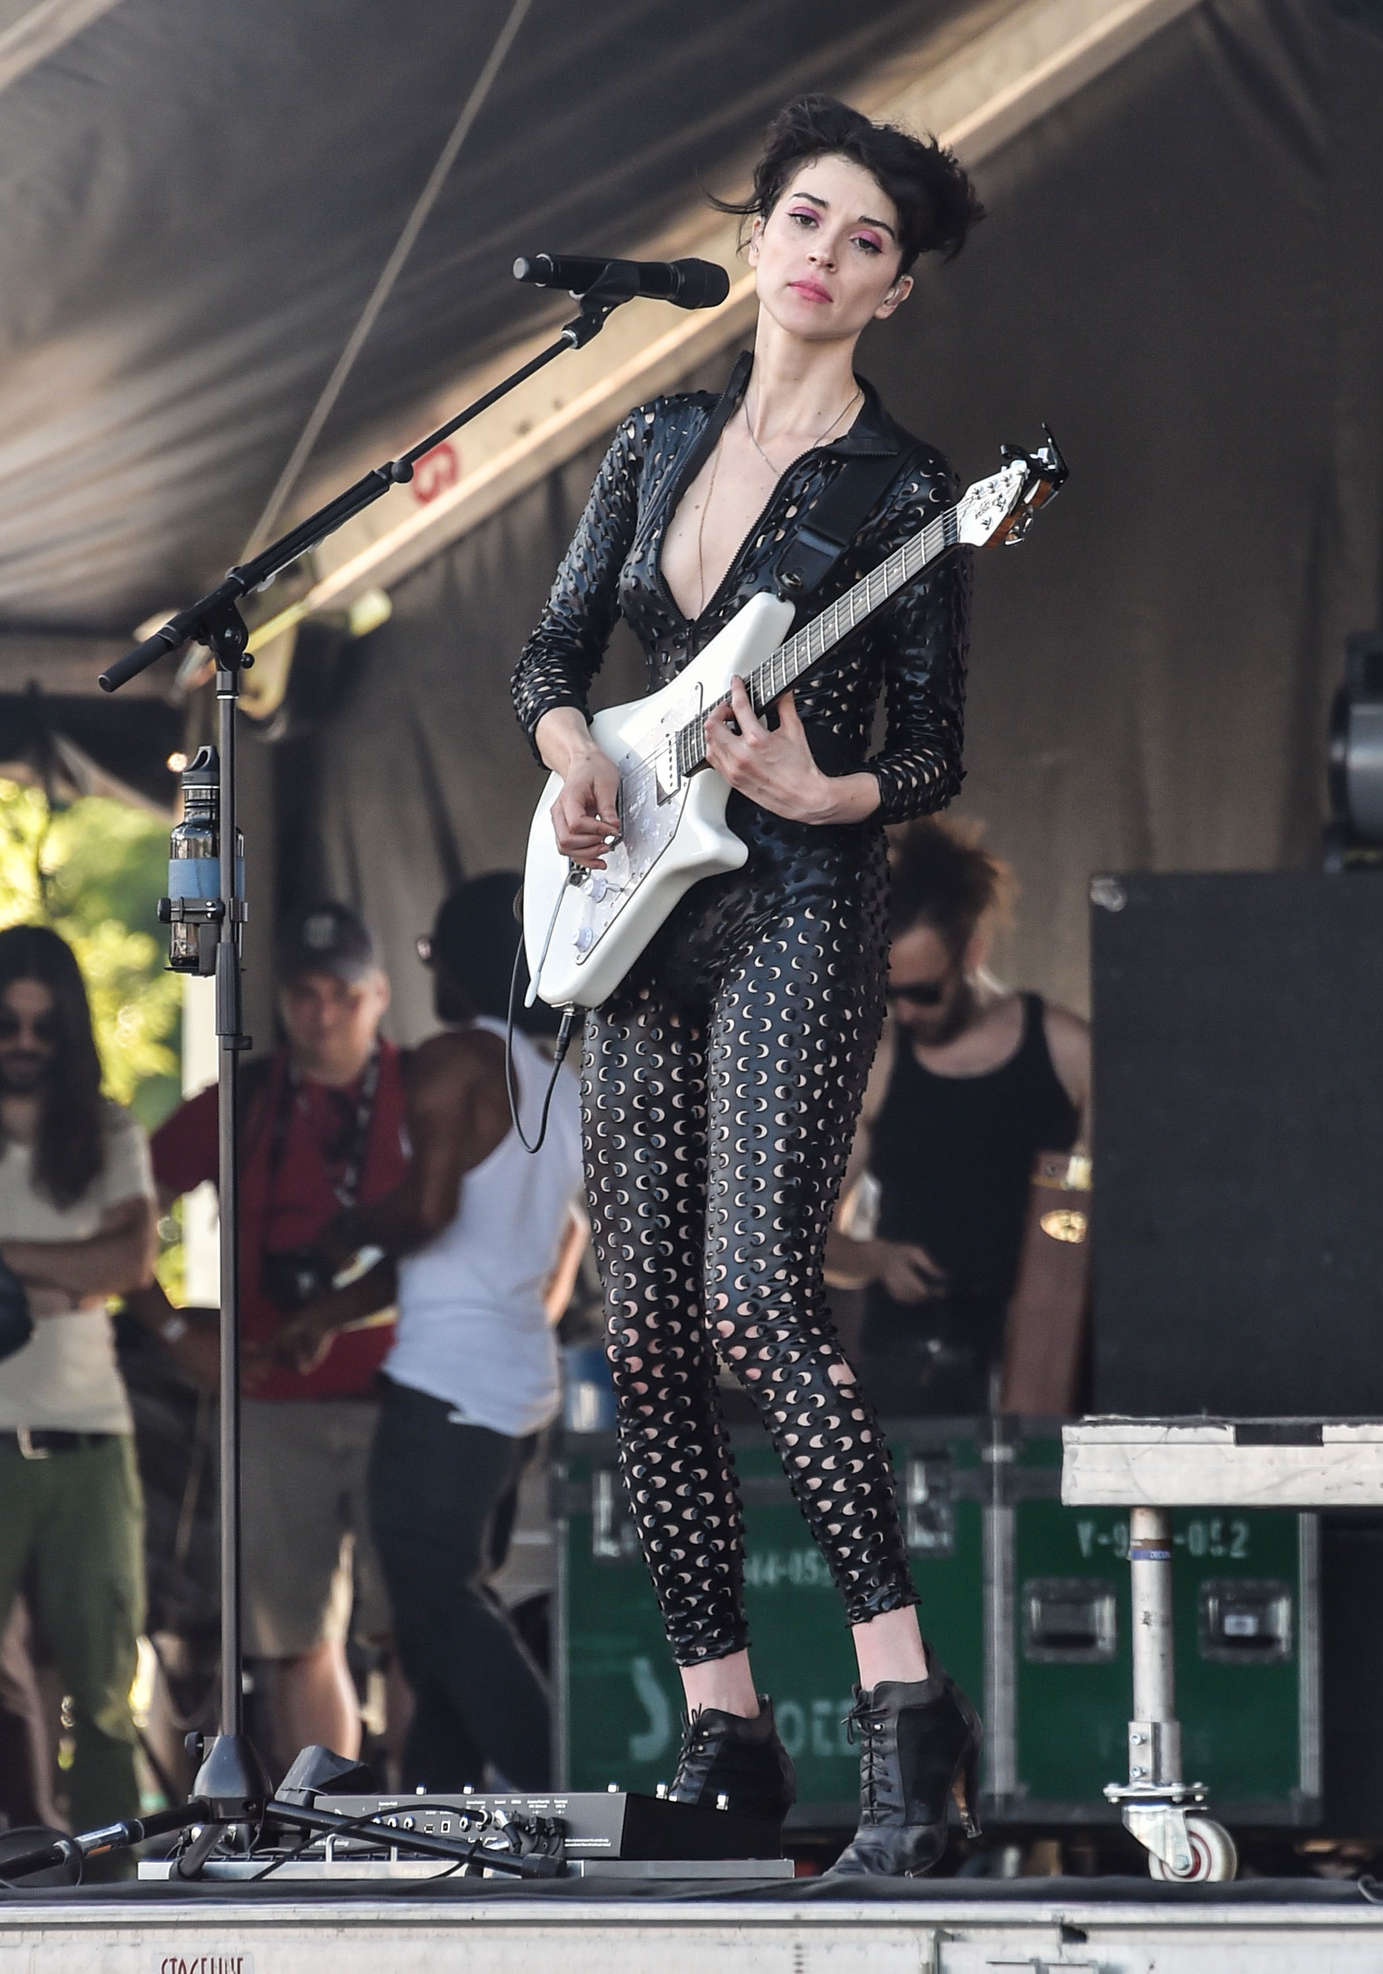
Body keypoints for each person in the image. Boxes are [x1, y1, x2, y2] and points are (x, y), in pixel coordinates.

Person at [512, 95, 986, 1875]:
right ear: (760, 235)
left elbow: (934, 747)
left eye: (866, 240)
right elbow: (553, 655)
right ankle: (728, 1731)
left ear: (893, 290)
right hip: (642, 898)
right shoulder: (655, 437)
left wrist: (825, 788)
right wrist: (574, 754)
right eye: (805, 218)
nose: (823, 253)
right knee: (634, 1326)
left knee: (752, 1298)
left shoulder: (911, 489)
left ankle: (907, 1727)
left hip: (796, 892)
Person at [274, 872, 586, 1791]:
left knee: (438, 1603)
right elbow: (480, 1249)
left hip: (446, 1388)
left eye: (425, 955)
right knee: (434, 1613)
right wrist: (328, 1315)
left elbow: (429, 1211)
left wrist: (346, 1227)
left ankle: (552, 1780)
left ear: (450, 964)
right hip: (518, 1381)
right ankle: (435, 1805)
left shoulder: (452, 1059)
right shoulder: (558, 1084)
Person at [147, 901, 406, 1774]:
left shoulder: (425, 1093)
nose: (323, 1011)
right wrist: (171, 1327)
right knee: (294, 1634)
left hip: (402, 1396)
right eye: (304, 992)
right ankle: (325, 1826)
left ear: (379, 997)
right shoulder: (244, 1100)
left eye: (342, 992)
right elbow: (112, 1200)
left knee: (412, 1629)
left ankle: (427, 1810)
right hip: (268, 1405)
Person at [826, 819, 1092, 1417]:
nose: (906, 1013)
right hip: (913, 1366)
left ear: (972, 951)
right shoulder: (880, 1071)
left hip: (1047, 1361)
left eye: (924, 992)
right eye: (888, 995)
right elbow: (801, 1239)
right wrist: (877, 1258)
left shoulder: (1068, 1051)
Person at [0, 924, 156, 1833]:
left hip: (93, 1437)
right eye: (6, 1025)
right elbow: (95, 1264)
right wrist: (65, 1274)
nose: (22, 1044)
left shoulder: (107, 1129)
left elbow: (130, 1260)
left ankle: (112, 1885)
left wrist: (8, 1271)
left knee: (103, 1690)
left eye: (41, 1028)